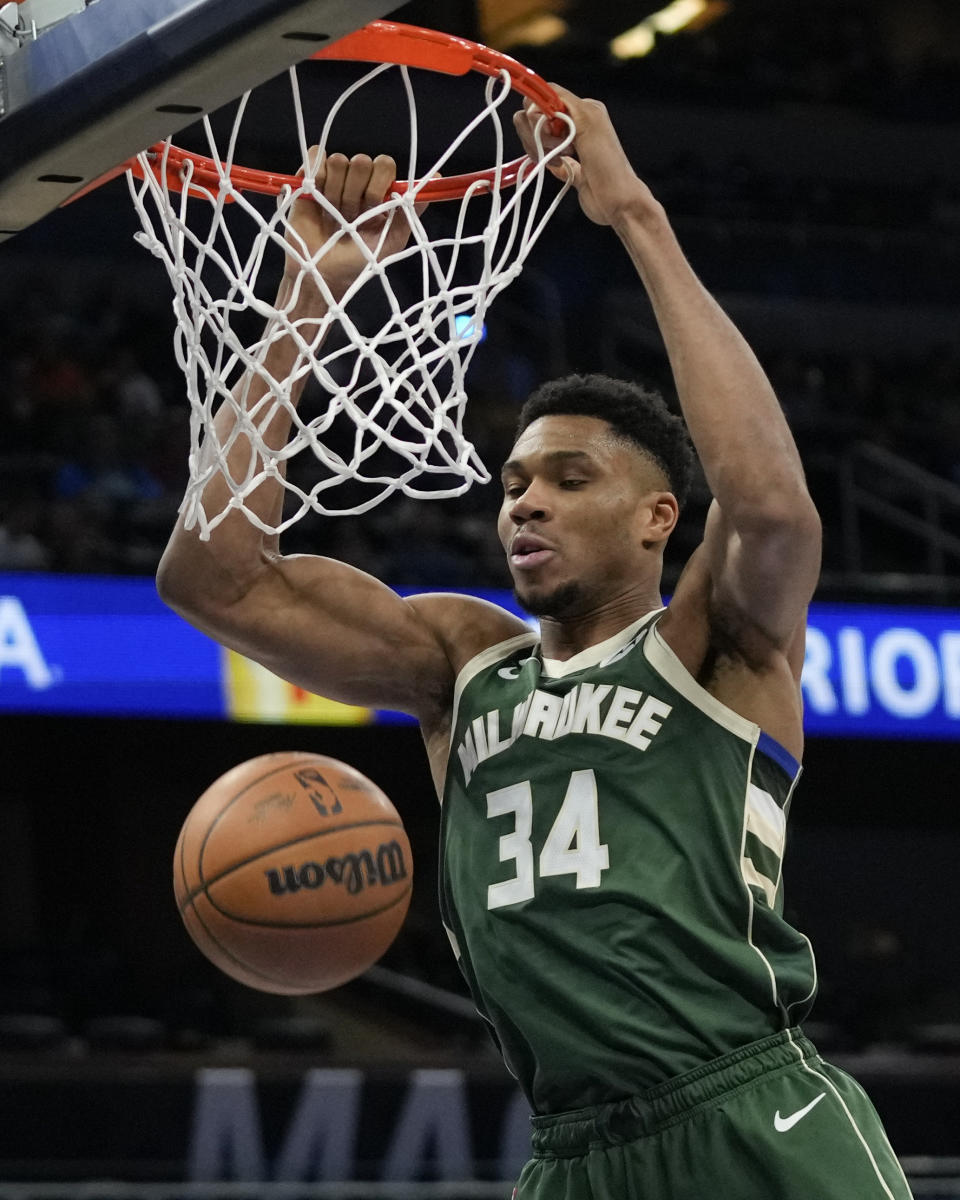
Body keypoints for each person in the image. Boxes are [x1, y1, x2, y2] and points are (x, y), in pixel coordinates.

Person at [157, 89, 913, 1199]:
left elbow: (773, 508)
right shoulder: (461, 666)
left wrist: (636, 217)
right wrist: (307, 301)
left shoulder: (716, 649)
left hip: (750, 1111)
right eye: (513, 483)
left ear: (660, 517)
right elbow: (212, 577)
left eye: (569, 480)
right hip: (569, 1152)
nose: (525, 504)